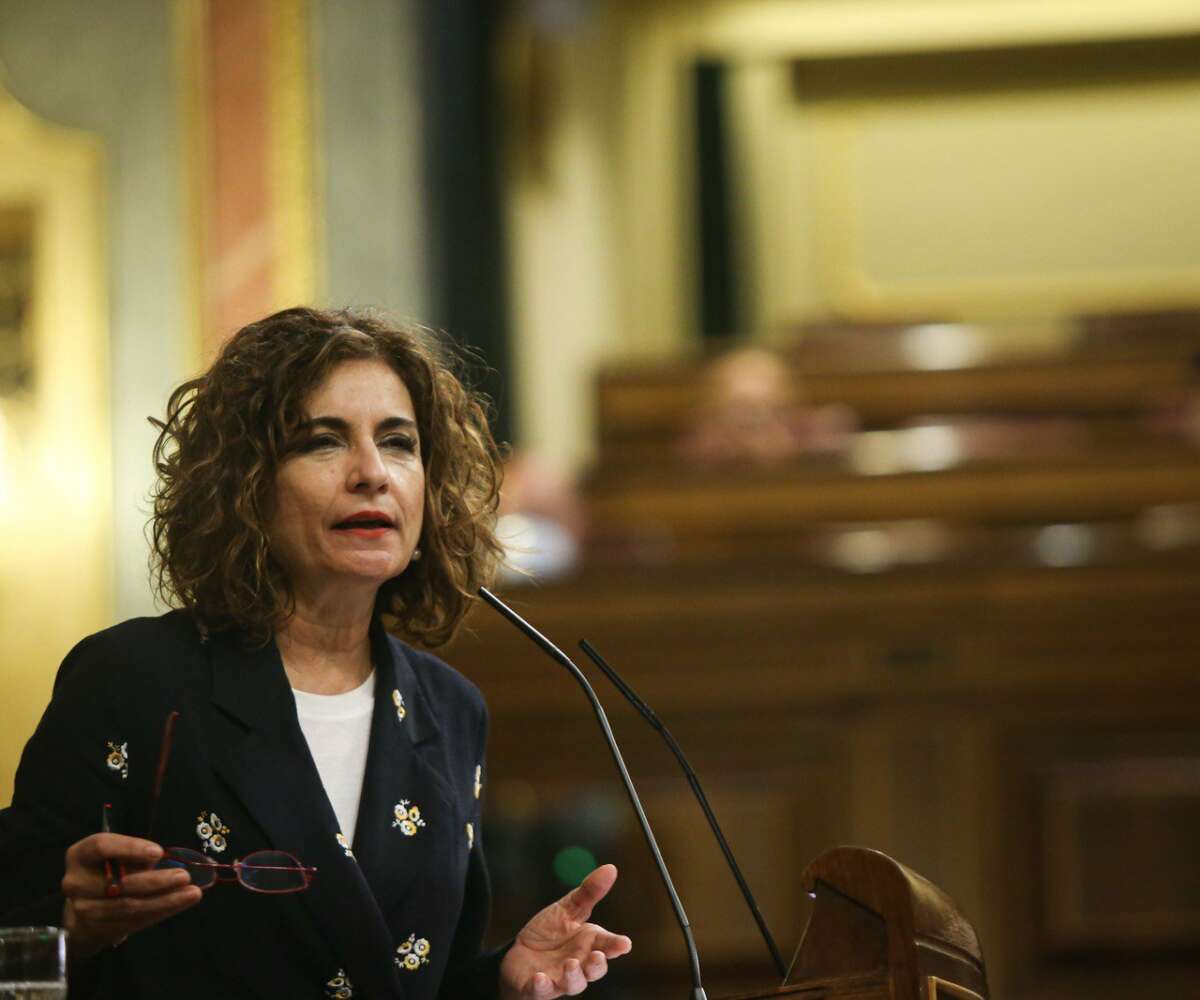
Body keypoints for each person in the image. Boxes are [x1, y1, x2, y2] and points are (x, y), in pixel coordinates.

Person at [0, 307, 631, 999]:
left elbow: (420, 978)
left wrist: (503, 982)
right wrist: (74, 926)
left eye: (398, 443)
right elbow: (16, 939)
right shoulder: (134, 679)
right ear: (245, 486)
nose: (371, 473)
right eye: (323, 442)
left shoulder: (449, 709)